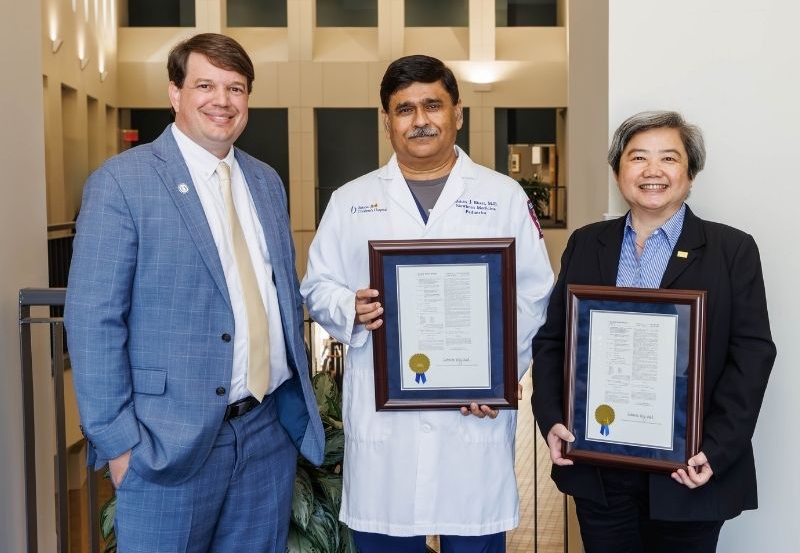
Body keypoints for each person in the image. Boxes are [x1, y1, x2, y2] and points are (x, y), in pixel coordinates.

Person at [64, 33, 324, 552]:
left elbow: (277, 294)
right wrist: (119, 447)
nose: (222, 101)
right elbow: (93, 320)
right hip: (164, 444)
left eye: (236, 88)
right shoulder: (122, 183)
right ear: (174, 93)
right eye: (205, 84)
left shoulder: (266, 181)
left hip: (264, 433)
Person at [300, 54, 554, 552]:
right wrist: (350, 308)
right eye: (404, 109)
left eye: (432, 105)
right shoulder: (351, 200)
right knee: (386, 538)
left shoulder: (501, 196)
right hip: (384, 421)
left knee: (474, 539)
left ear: (458, 113)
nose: (420, 120)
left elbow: (534, 291)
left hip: (471, 412)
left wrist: (498, 373)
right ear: (387, 121)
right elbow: (316, 284)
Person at [532, 111, 776, 552]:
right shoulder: (588, 242)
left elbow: (752, 356)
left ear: (691, 173)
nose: (652, 171)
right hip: (600, 469)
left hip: (688, 471)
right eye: (637, 157)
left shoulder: (731, 249)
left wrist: (716, 451)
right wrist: (552, 419)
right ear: (617, 171)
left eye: (669, 158)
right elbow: (553, 341)